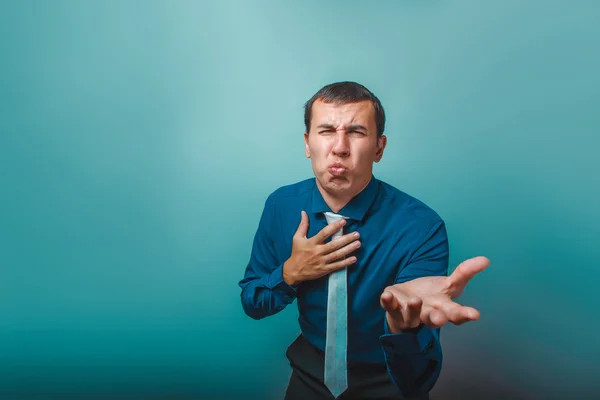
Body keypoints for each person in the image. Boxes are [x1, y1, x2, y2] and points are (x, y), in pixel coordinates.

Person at [238, 81, 490, 400]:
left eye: (356, 132)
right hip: (309, 380)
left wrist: (404, 329)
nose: (340, 147)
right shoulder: (281, 206)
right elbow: (253, 303)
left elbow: (417, 380)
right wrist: (290, 274)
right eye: (326, 130)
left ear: (379, 148)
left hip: (387, 384)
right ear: (307, 143)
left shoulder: (422, 227)